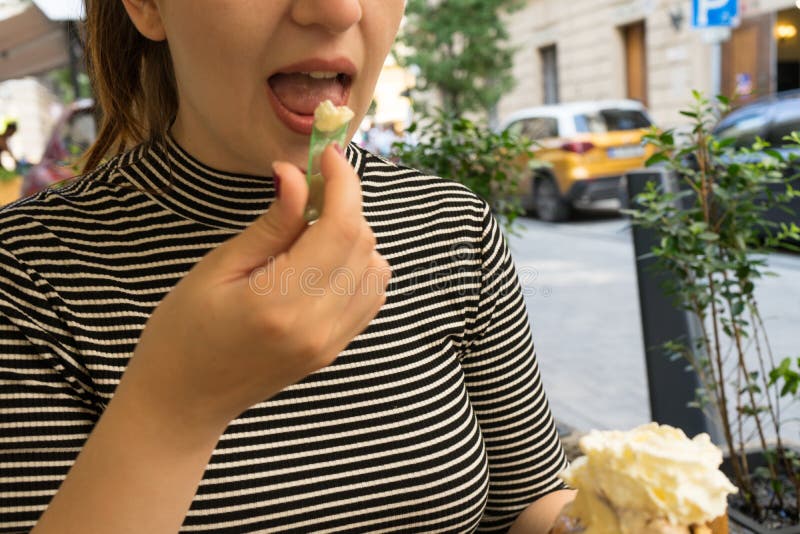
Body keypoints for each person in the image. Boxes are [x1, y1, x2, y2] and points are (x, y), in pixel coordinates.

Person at [0, 1, 575, 532]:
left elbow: (526, 502)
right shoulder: (23, 273)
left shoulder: (452, 225)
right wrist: (177, 409)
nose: (337, 8)